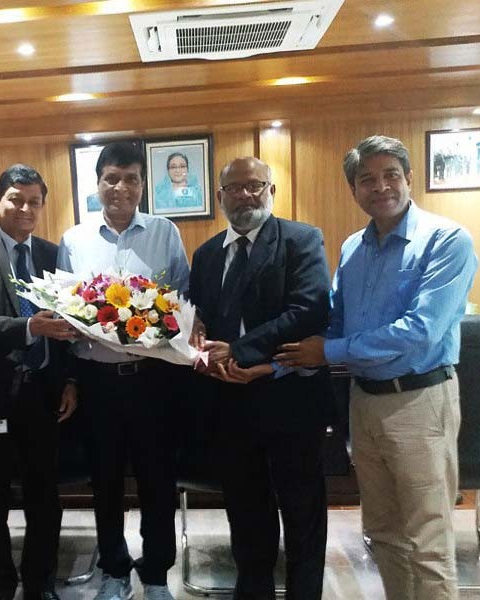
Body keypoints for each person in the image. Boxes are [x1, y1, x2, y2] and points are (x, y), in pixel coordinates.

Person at [276, 135, 478, 600]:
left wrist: (325, 352)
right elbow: (336, 321)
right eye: (366, 179)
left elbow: (420, 332)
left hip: (420, 401)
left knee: (428, 539)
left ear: (409, 178)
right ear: (354, 191)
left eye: (390, 174)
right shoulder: (353, 248)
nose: (380, 186)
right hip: (364, 404)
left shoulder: (446, 240)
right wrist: (271, 362)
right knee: (383, 533)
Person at [188, 157, 332, 599]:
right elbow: (200, 317)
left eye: (255, 186)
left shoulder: (301, 240)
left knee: (302, 507)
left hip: (290, 394)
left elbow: (308, 310)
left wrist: (242, 351)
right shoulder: (207, 253)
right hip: (230, 400)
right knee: (246, 509)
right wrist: (199, 338)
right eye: (235, 188)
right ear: (220, 197)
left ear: (271, 191)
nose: (246, 195)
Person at [56, 141, 190, 600]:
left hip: (153, 381)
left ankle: (155, 574)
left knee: (157, 481)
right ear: (97, 184)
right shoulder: (74, 240)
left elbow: (182, 304)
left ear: (141, 185)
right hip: (96, 384)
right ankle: (113, 570)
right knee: (105, 481)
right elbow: (64, 315)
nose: (120, 187)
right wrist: (72, 377)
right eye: (111, 177)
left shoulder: (165, 233)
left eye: (130, 178)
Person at [0, 164, 78, 600]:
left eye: (34, 201)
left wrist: (70, 381)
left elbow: (70, 327)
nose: (25, 208)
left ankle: (40, 583)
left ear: (43, 205)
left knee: (45, 498)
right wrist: (29, 329)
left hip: (44, 395)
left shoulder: (52, 254)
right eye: (15, 199)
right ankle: (0, 586)